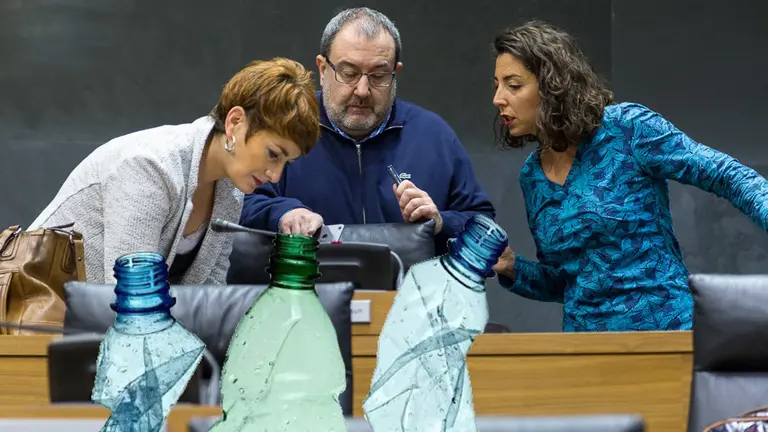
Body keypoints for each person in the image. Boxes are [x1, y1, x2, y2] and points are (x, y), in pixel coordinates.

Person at [490, 21, 768, 332]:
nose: (498, 98)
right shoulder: (533, 176)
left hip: (665, 336)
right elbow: (566, 282)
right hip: (587, 350)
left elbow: (726, 175)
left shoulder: (628, 129)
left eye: (513, 85)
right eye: (497, 85)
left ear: (554, 86)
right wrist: (514, 268)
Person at [28, 58, 320, 285]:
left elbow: (209, 299)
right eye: (273, 154)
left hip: (96, 340)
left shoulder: (230, 192)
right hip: (27, 333)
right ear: (235, 122)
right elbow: (129, 300)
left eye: (286, 163)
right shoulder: (149, 166)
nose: (275, 176)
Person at [239, 7, 494, 254]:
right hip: (304, 291)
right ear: (323, 68)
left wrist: (440, 223)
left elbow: (484, 225)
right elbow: (238, 202)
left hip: (408, 293)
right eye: (349, 73)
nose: (362, 90)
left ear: (396, 73)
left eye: (378, 76)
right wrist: (285, 213)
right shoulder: (285, 127)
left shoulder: (434, 136)